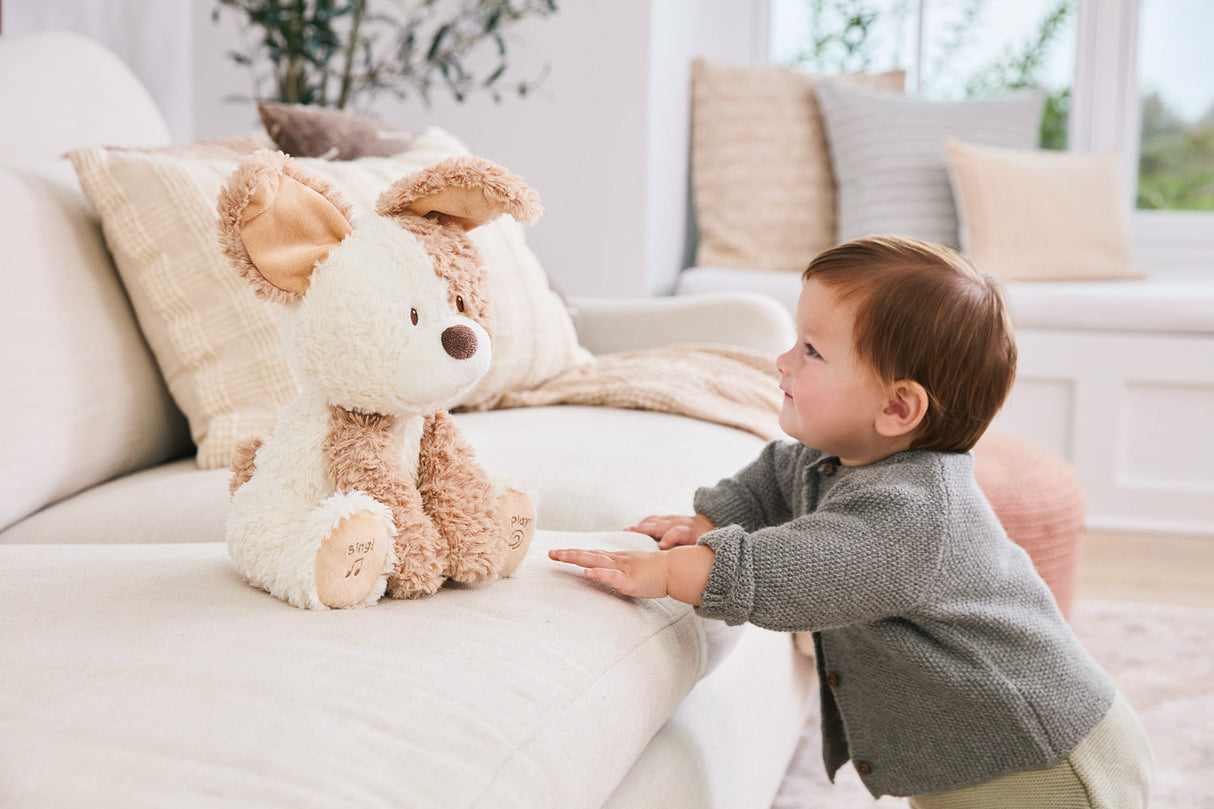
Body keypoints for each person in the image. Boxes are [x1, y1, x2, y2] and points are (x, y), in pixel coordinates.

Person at [549, 235, 1154, 807]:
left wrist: (668, 573)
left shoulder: (911, 516)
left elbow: (792, 571)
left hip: (1041, 762)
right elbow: (774, 477)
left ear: (896, 406)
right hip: (975, 754)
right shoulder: (836, 457)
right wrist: (709, 519)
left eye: (811, 350)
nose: (783, 361)